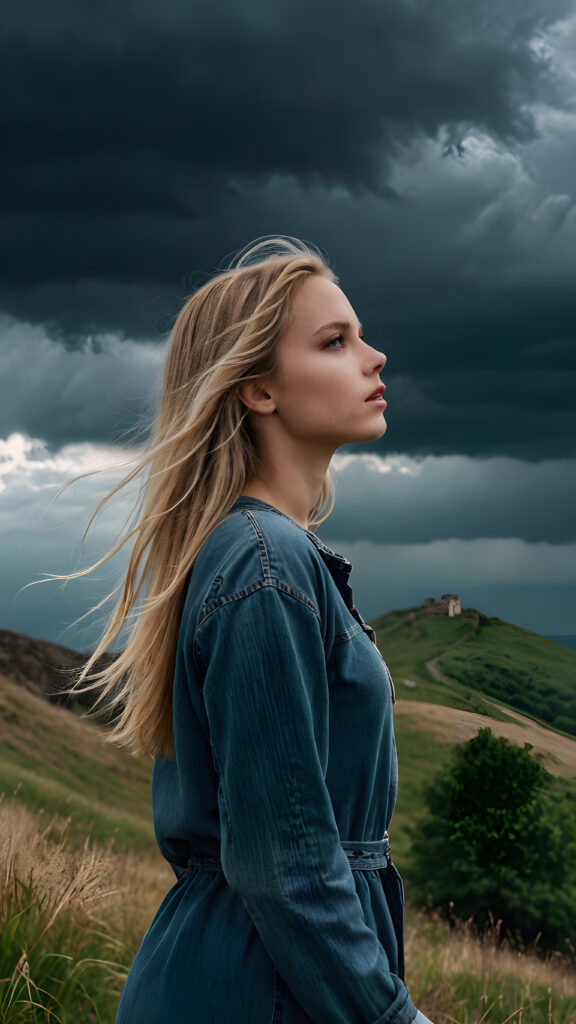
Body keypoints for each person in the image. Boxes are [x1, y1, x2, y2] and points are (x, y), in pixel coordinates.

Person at [64, 236, 434, 1023]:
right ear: (257, 388)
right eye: (335, 341)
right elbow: (286, 866)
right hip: (256, 985)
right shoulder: (265, 563)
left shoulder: (255, 553)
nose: (375, 358)